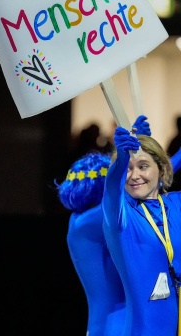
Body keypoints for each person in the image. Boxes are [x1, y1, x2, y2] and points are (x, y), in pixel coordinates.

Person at [55, 115, 150, 336]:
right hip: (110, 327)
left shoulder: (87, 220)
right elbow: (128, 194)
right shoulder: (85, 223)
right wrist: (141, 147)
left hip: (119, 323)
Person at [102, 125, 181, 335]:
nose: (134, 175)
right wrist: (119, 162)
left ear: (162, 170)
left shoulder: (176, 203)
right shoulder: (121, 217)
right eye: (128, 168)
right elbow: (111, 191)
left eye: (143, 166)